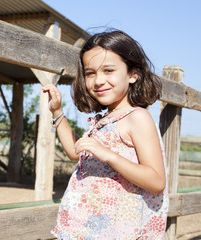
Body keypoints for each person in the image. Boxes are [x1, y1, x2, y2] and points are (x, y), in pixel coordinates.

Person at [42, 30, 169, 239]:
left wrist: (108, 154)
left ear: (132, 74)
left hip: (118, 232)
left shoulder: (137, 118)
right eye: (90, 73)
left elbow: (156, 181)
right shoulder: (105, 120)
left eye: (108, 70)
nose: (98, 80)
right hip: (88, 228)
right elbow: (76, 152)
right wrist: (57, 112)